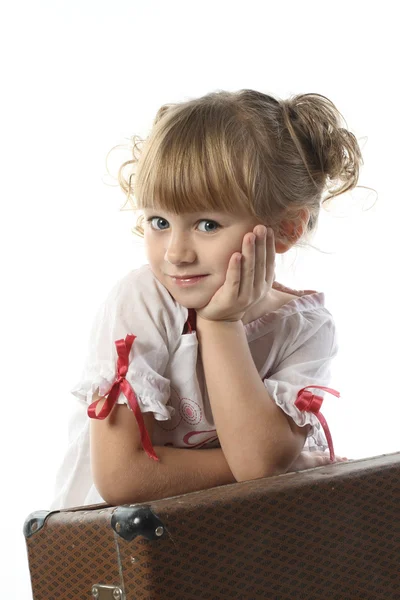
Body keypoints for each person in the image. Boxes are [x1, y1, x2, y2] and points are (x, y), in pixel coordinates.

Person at [51, 89, 361, 510]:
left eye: (207, 224)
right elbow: (122, 477)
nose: (175, 252)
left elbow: (257, 463)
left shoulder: (304, 327)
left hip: (223, 543)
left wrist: (220, 325)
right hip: (127, 552)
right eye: (159, 221)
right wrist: (290, 465)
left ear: (286, 229)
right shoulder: (145, 301)